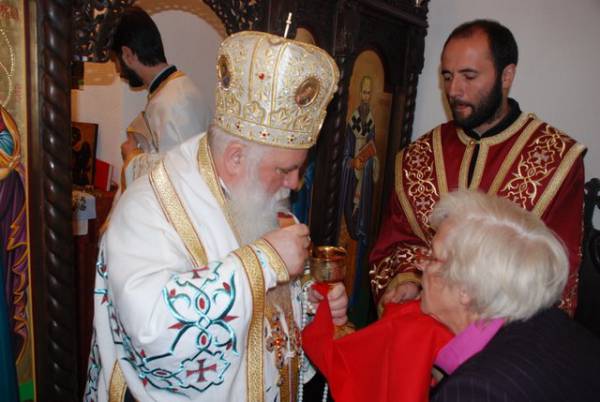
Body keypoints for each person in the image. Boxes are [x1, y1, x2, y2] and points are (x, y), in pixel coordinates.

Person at [84, 31, 346, 402]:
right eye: (285, 170)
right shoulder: (149, 208)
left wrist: (311, 304)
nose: (294, 183)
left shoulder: (255, 196)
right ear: (236, 157)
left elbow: (271, 311)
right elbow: (151, 331)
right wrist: (264, 261)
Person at [370, 19, 585, 316]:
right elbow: (396, 245)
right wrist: (409, 280)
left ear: (506, 76)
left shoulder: (554, 159)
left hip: (505, 331)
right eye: (447, 76)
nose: (454, 90)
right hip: (425, 324)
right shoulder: (418, 156)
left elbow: (558, 274)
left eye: (469, 76)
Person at [421, 190, 600, 401]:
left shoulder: (474, 390)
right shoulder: (556, 322)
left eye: (433, 258)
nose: (422, 265)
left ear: (466, 290)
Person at [111, 6, 211, 190]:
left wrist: (132, 157)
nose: (117, 69)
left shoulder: (175, 101)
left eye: (115, 60)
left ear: (128, 54)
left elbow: (182, 179)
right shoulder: (170, 91)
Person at [340, 75, 379, 302]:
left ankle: (352, 295)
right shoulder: (351, 123)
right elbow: (342, 156)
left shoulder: (371, 123)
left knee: (356, 249)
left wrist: (370, 162)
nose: (366, 97)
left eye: (369, 93)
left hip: (362, 189)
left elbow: (374, 152)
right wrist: (351, 162)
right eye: (363, 92)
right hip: (348, 188)